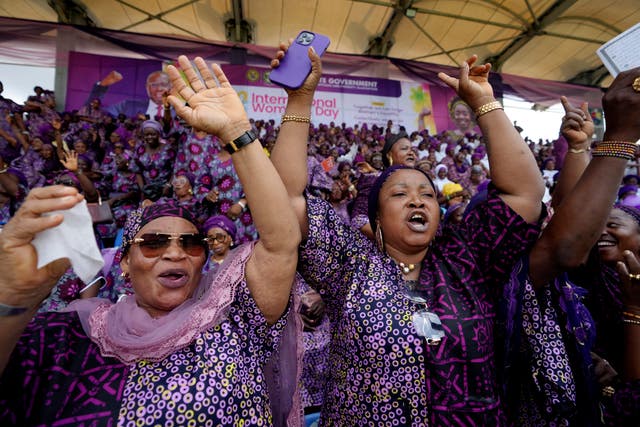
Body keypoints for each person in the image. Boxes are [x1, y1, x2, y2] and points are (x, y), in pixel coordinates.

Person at [0, 54, 302, 426]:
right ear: (124, 261)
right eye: (155, 243)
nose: (175, 253)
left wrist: (237, 131)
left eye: (191, 244)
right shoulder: (69, 338)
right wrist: (10, 299)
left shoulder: (234, 320)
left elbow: (281, 242)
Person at [271, 44, 544, 425]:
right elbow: (284, 198)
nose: (418, 201)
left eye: (427, 195)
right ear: (376, 218)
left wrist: (486, 104)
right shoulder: (350, 265)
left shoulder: (468, 259)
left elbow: (524, 195)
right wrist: (300, 101)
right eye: (400, 194)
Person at [500, 72, 640, 426]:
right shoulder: (579, 274)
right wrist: (591, 146)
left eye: (612, 225)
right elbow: (569, 228)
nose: (600, 233)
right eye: (597, 225)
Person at [86, 70, 174, 120]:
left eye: (164, 85)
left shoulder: (179, 112)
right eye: (154, 85)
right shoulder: (128, 105)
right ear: (147, 87)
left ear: (170, 88)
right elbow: (96, 111)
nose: (159, 89)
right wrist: (102, 86)